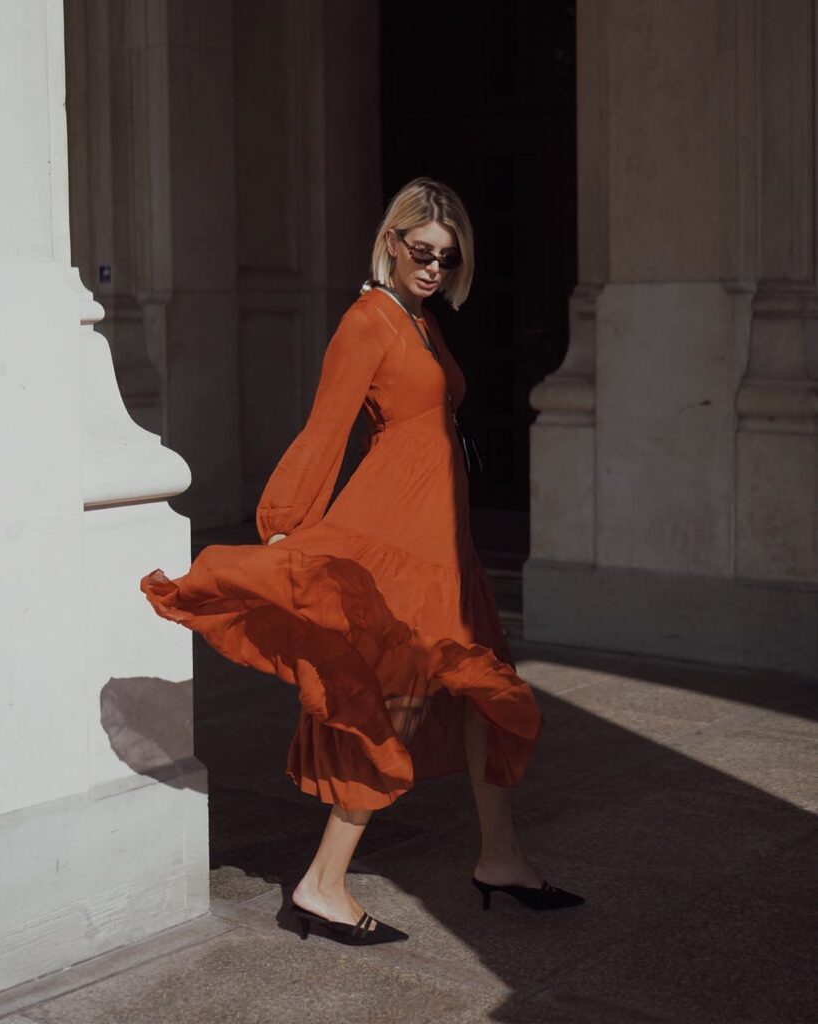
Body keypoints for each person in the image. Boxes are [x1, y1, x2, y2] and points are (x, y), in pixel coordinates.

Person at [141, 177, 583, 948]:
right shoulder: (367, 321)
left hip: (443, 536)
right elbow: (325, 429)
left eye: (447, 258)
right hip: (396, 534)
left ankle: (501, 857)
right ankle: (322, 881)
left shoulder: (420, 322)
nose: (434, 269)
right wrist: (281, 526)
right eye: (422, 252)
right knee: (402, 703)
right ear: (390, 242)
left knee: (479, 690)